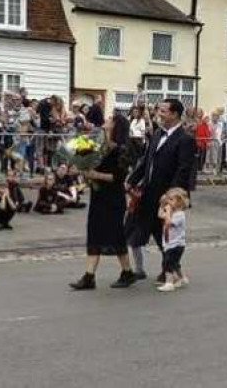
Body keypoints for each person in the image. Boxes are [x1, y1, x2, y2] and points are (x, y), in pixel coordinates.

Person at [127, 99, 197, 284]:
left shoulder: (185, 139)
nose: (159, 113)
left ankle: (172, 271)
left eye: (164, 111)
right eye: (159, 110)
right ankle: (140, 270)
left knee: (165, 237)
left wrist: (170, 198)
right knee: (135, 231)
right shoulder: (157, 133)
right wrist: (132, 180)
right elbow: (146, 162)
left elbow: (183, 170)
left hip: (169, 198)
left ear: (174, 114)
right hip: (148, 194)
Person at [70, 113, 137, 290]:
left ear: (115, 126)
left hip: (113, 198)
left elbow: (118, 177)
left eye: (109, 120)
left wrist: (95, 174)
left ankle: (127, 272)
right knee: (94, 233)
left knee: (115, 236)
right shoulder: (100, 145)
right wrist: (81, 165)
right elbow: (85, 160)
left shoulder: (121, 149)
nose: (106, 121)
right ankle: (89, 276)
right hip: (98, 195)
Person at [156, 187, 190, 293]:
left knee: (168, 263)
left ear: (179, 202)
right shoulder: (173, 212)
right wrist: (162, 205)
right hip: (170, 243)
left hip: (176, 244)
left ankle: (169, 283)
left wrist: (168, 211)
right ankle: (182, 278)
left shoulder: (180, 215)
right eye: (168, 199)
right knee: (174, 263)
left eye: (171, 200)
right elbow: (160, 215)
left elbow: (168, 222)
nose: (169, 202)